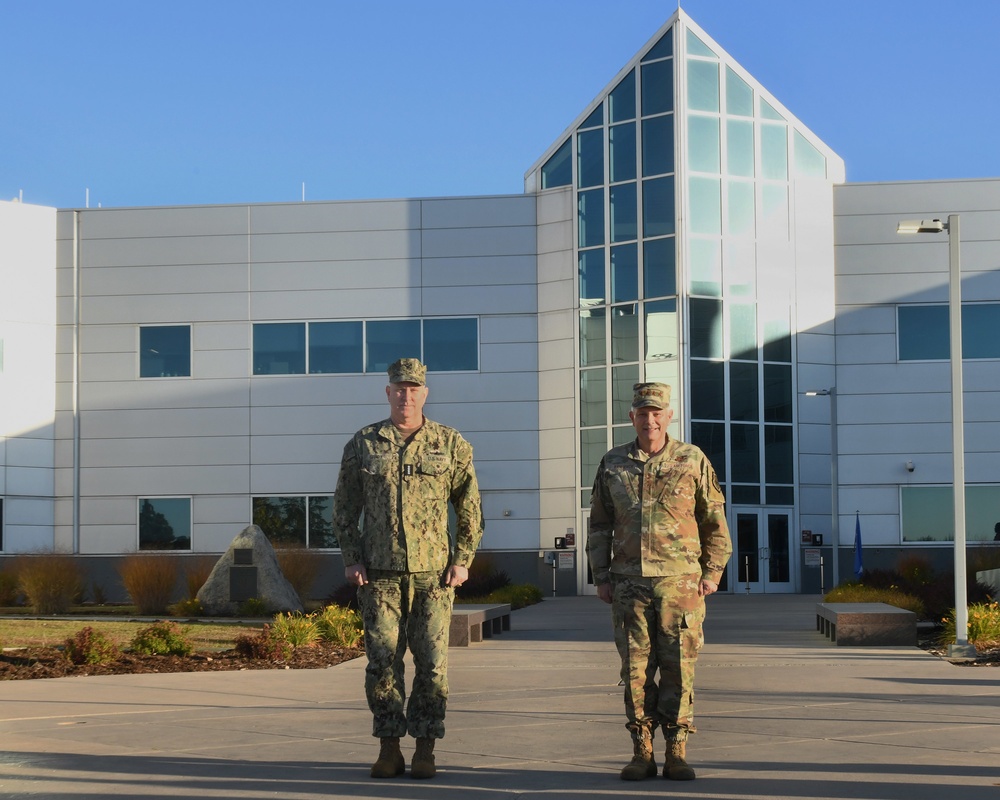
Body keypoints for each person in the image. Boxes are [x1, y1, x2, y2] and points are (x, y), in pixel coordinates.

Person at [332, 357, 484, 780]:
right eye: (399, 388)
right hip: (379, 575)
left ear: (424, 393)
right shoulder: (364, 443)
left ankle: (425, 749)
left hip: (433, 577)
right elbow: (344, 508)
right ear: (388, 392)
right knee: (383, 662)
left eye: (414, 388)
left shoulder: (449, 443)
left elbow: (470, 507)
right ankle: (389, 747)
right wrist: (352, 557)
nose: (406, 395)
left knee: (433, 664)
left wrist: (462, 559)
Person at [587, 382, 731, 783]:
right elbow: (599, 525)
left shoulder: (691, 459)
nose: (649, 420)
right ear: (631, 417)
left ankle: (677, 752)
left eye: (657, 412)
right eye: (642, 413)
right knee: (634, 671)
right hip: (628, 585)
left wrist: (713, 573)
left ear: (668, 416)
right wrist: (601, 576)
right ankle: (642, 752)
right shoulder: (613, 462)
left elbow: (714, 521)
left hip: (680, 586)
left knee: (679, 670)